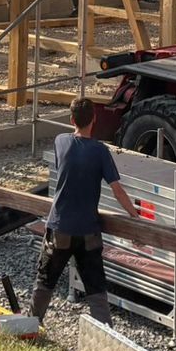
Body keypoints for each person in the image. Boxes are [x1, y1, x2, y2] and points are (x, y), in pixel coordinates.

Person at [30, 97, 139, 324]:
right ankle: (105, 331)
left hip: (60, 229)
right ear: (94, 120)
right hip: (88, 231)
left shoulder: (61, 142)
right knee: (95, 286)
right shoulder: (100, 151)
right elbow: (117, 190)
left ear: (72, 120)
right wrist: (134, 216)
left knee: (45, 280)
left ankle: (31, 325)